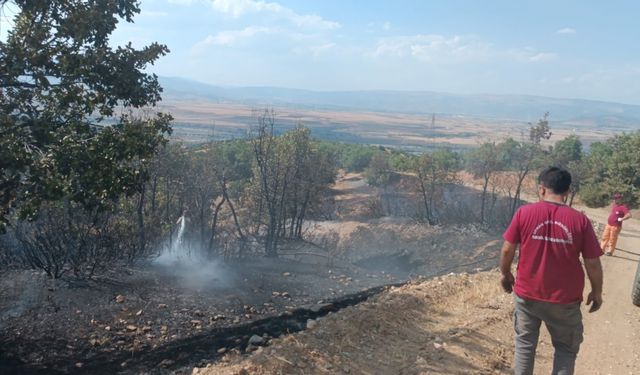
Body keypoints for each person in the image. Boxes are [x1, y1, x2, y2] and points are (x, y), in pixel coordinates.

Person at [499, 166, 603, 375]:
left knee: (525, 346)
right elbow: (592, 262)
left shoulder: (524, 213)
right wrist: (597, 291)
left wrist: (506, 274)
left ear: (542, 189)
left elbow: (508, 249)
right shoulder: (580, 220)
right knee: (565, 350)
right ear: (567, 192)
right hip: (565, 300)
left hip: (527, 295)